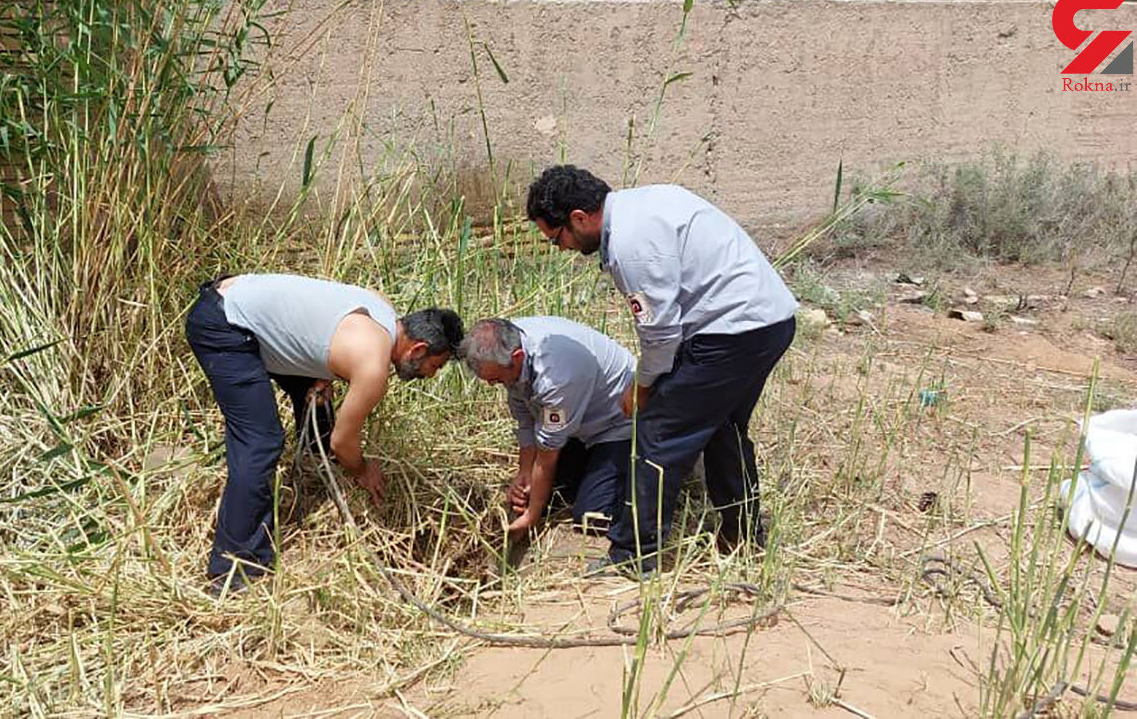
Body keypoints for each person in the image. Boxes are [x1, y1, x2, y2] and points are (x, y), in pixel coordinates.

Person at [526, 165, 798, 576]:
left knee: (657, 434)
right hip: (766, 322)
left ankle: (634, 554)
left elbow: (660, 333)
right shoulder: (643, 205)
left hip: (731, 331)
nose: (560, 247)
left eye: (556, 237)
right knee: (722, 427)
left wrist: (643, 386)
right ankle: (742, 537)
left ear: (579, 218)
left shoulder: (631, 245)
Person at [185, 273, 463, 591]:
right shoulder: (373, 367)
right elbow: (343, 442)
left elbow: (322, 325)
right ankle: (234, 570)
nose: (430, 375)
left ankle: (314, 477)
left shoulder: (382, 310)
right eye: (435, 366)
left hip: (234, 299)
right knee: (260, 441)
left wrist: (322, 368)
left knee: (317, 399)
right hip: (225, 326)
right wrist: (361, 469)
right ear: (417, 350)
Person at [460, 317, 635, 539]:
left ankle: (637, 469)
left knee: (592, 517)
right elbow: (525, 419)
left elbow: (547, 455)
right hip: (576, 422)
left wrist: (532, 517)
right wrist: (524, 473)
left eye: (496, 379)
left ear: (517, 358)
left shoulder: (556, 379)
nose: (493, 385)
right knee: (549, 493)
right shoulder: (508, 340)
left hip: (616, 422)